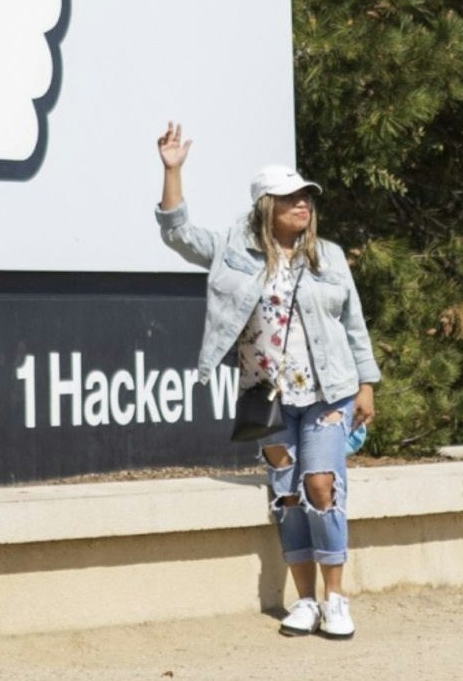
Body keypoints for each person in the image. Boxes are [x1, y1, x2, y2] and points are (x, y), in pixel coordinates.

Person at [154, 121, 380, 639]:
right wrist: (173, 171)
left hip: (328, 393)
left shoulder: (330, 257)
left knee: (321, 486)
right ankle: (304, 601)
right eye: (290, 197)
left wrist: (366, 383)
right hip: (269, 399)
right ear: (266, 207)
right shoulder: (235, 252)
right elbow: (177, 233)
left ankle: (336, 599)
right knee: (289, 496)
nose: (302, 204)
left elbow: (354, 324)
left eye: (306, 197)